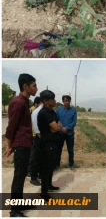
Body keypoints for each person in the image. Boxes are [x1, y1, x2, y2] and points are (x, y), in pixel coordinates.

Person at [4, 74, 38, 217]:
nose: (36, 88)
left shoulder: (24, 102)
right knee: (18, 177)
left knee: (22, 174)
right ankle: (14, 211)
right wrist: (9, 146)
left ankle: (19, 203)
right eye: (34, 85)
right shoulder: (18, 103)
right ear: (25, 86)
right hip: (21, 145)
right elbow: (11, 127)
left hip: (25, 144)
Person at [37, 90, 62, 201]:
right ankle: (44, 193)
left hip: (53, 142)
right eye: (52, 99)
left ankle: (49, 185)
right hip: (47, 144)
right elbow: (57, 127)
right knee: (46, 168)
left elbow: (59, 124)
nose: (55, 101)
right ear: (46, 101)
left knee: (51, 166)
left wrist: (55, 127)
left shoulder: (52, 111)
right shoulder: (44, 113)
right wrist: (55, 128)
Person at [56, 95, 77, 171]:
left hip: (70, 134)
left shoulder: (73, 111)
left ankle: (71, 164)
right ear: (63, 101)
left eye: (68, 101)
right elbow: (56, 120)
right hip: (60, 133)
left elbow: (74, 122)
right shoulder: (58, 110)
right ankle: (57, 164)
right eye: (65, 100)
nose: (67, 102)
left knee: (70, 150)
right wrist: (61, 128)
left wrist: (66, 128)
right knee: (58, 150)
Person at [28, 98, 44, 186]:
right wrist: (39, 135)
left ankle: (40, 174)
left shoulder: (45, 111)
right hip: (36, 137)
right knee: (35, 157)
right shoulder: (35, 111)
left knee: (41, 157)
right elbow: (34, 124)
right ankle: (33, 176)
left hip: (42, 137)